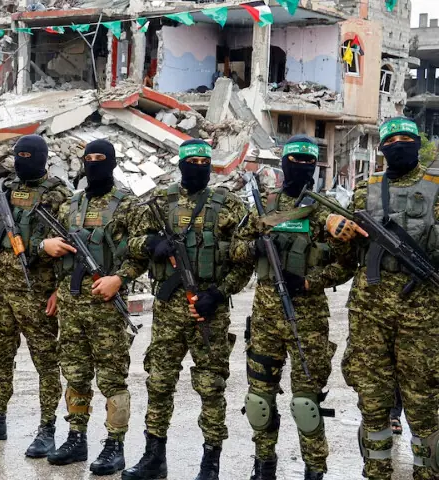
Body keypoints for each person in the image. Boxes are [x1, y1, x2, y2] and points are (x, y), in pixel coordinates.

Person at [122, 139, 253, 480]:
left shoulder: (231, 206)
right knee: (159, 382)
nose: (197, 167)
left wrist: (220, 293)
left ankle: (210, 463)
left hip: (209, 310)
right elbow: (130, 243)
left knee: (211, 387)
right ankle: (154, 457)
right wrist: (151, 244)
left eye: (203, 162)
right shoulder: (159, 203)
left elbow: (245, 260)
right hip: (167, 311)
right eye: (190, 161)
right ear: (180, 165)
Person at [232, 135, 356, 480]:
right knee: (260, 401)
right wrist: (256, 247)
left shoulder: (326, 211)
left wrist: (308, 282)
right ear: (284, 164)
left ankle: (315, 469)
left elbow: (348, 263)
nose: (300, 166)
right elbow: (235, 251)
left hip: (309, 320)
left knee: (306, 404)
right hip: (266, 318)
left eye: (307, 160)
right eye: (294, 159)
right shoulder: (264, 207)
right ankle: (263, 465)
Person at [330, 117, 439, 480]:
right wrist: (334, 228)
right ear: (383, 147)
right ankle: (376, 472)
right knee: (373, 401)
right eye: (393, 139)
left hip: (423, 316)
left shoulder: (437, 187)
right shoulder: (365, 192)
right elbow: (346, 260)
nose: (400, 144)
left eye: (408, 138)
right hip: (369, 313)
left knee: (425, 405)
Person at [42, 139, 153, 476]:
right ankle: (76, 437)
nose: (93, 164)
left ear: (113, 162)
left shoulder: (129, 206)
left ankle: (114, 445)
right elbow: (52, 246)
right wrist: (45, 246)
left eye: (100, 158)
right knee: (74, 374)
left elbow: (143, 252)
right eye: (88, 158)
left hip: (106, 307)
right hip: (71, 303)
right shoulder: (70, 206)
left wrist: (119, 279)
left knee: (111, 378)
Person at [0, 135, 70, 456]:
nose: (23, 161)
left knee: (46, 362)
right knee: (0, 354)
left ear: (41, 157)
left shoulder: (58, 195)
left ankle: (48, 428)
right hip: (3, 290)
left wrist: (60, 292)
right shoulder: (8, 189)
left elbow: (68, 250)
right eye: (18, 155)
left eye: (28, 155)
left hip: (38, 293)